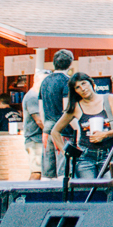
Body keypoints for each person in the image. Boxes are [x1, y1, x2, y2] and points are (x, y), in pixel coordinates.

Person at [51, 74, 113, 177]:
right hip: (85, 157)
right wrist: (66, 153)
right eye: (78, 87)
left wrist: (105, 134)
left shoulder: (109, 99)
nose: (83, 88)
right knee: (88, 190)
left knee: (110, 189)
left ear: (91, 83)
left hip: (109, 154)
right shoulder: (76, 106)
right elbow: (55, 131)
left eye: (84, 83)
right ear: (75, 91)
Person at [34, 50, 73, 179]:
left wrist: (45, 125)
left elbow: (41, 109)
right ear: (70, 64)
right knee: (63, 169)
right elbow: (66, 108)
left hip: (47, 128)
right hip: (63, 130)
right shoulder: (67, 82)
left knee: (47, 171)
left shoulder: (44, 82)